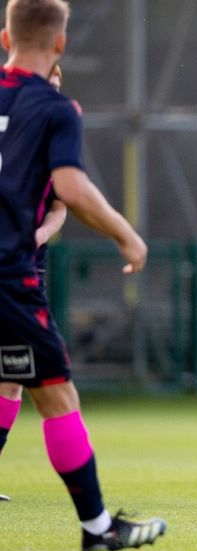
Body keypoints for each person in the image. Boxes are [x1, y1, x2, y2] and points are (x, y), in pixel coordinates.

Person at [0, 0, 166, 551]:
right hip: (7, 278)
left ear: (5, 37)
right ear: (61, 44)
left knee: (14, 385)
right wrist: (126, 233)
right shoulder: (53, 107)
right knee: (57, 395)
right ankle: (98, 529)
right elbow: (70, 188)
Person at [0, 63, 69, 503]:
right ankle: (95, 521)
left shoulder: (56, 139)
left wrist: (41, 233)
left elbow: (62, 203)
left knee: (11, 378)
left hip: (28, 271)